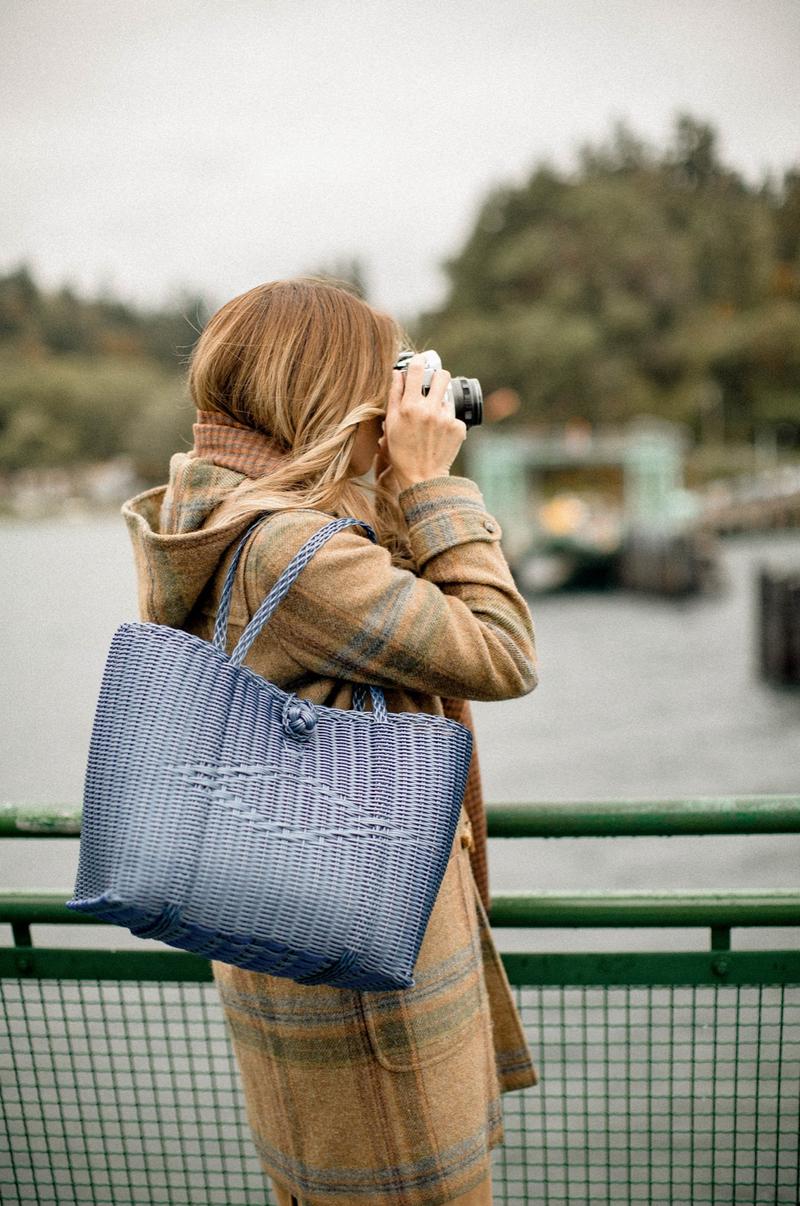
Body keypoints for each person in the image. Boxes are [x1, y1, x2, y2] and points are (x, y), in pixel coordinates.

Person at [122, 278, 539, 1206]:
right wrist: (430, 483)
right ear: (326, 395)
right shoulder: (292, 553)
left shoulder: (212, 518)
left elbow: (369, 614)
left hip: (294, 984)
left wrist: (376, 475)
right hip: (374, 1024)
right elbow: (502, 652)